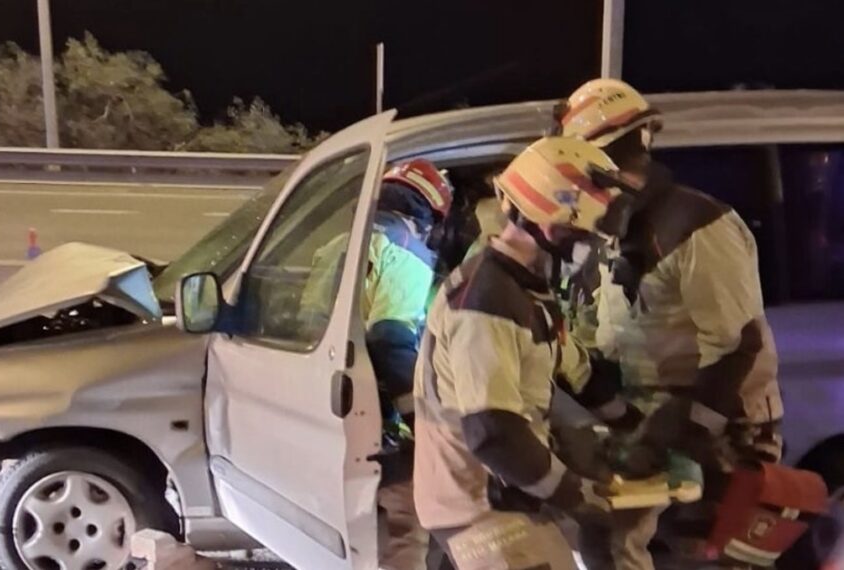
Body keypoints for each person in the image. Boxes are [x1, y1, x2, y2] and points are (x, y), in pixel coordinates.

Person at [556, 78, 786, 569]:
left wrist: (679, 433)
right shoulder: (617, 227)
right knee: (609, 543)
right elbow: (610, 332)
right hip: (654, 415)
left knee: (712, 557)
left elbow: (736, 348)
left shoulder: (697, 225)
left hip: (726, 426)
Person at [413, 136, 632, 569]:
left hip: (504, 488)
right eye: (584, 233)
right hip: (477, 504)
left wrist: (637, 429)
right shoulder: (488, 300)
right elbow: (493, 432)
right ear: (552, 224)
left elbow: (578, 373)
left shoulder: (525, 287)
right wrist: (577, 494)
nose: (591, 247)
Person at [299, 158, 452, 569]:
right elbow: (390, 340)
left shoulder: (336, 247)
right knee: (407, 525)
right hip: (378, 415)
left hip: (328, 406)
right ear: (430, 215)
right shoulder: (406, 250)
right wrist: (423, 423)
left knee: (363, 530)